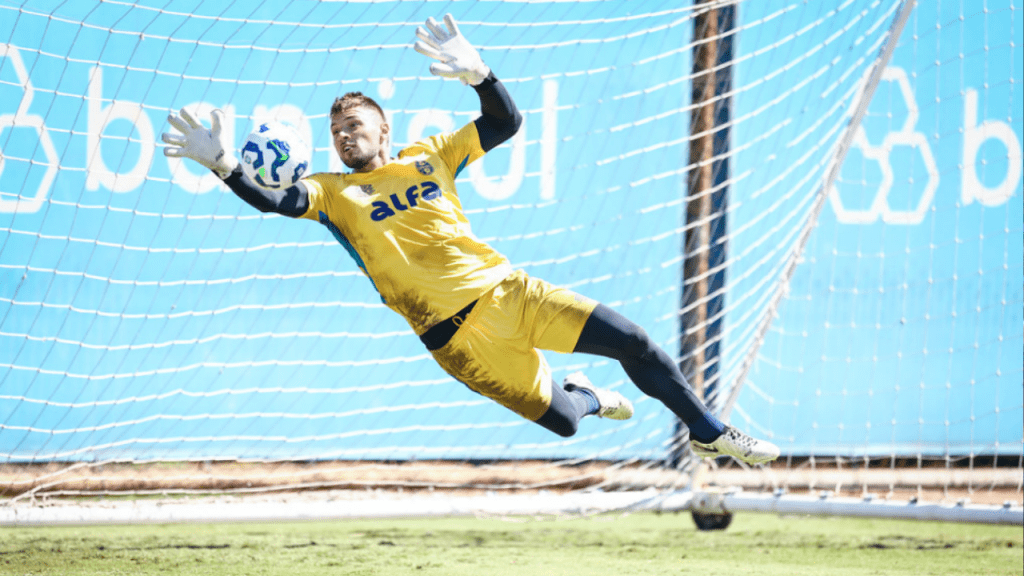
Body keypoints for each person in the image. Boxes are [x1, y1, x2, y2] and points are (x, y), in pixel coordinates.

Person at [161, 15, 779, 465]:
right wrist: (225, 168)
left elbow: (504, 122)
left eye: (354, 125)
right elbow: (276, 199)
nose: (345, 136)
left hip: (512, 292)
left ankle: (708, 430)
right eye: (336, 131)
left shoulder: (430, 154)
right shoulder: (331, 195)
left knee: (636, 341)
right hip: (457, 342)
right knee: (565, 422)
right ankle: (587, 398)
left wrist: (482, 75)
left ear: (384, 128)